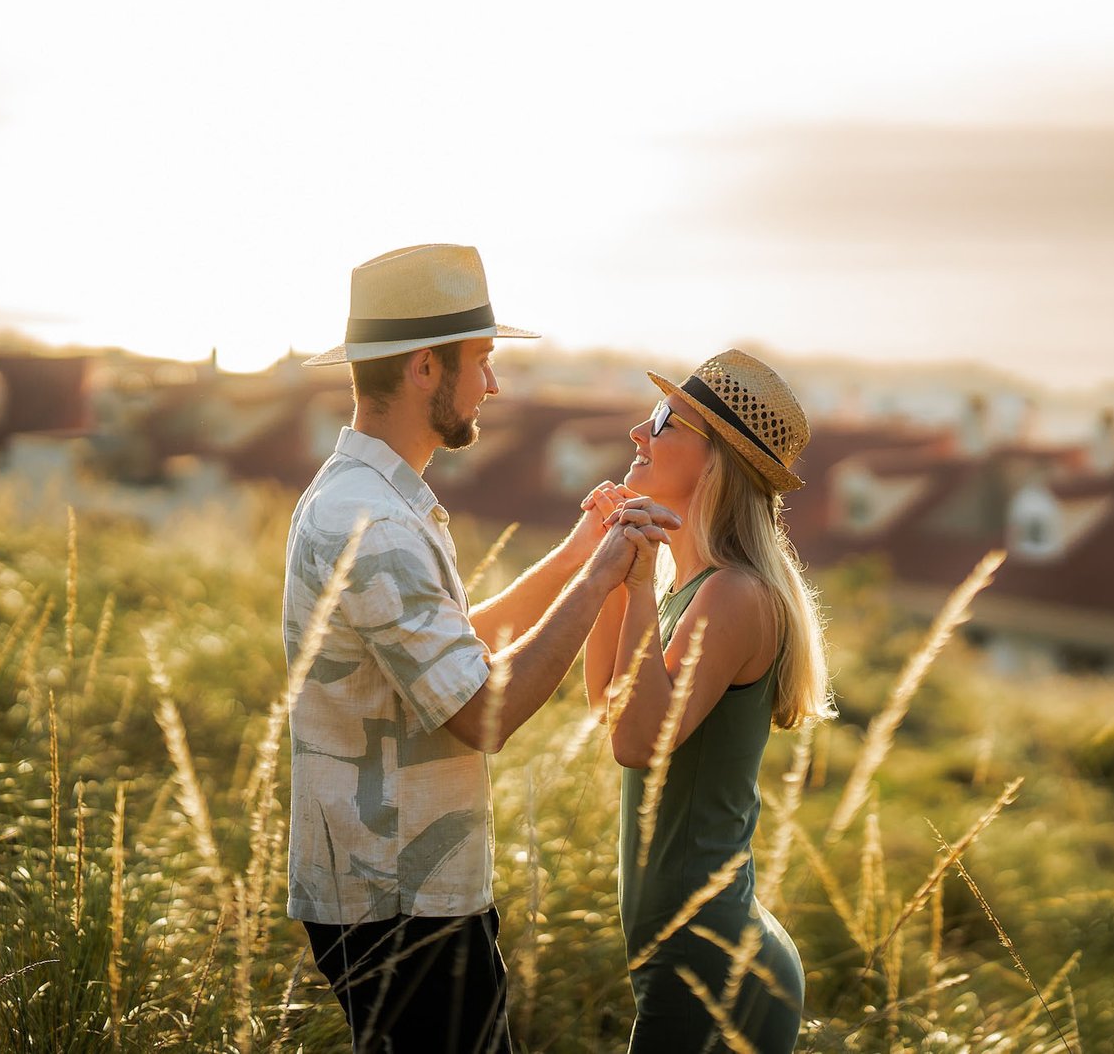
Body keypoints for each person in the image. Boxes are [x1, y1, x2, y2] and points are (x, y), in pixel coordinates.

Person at [283, 243, 675, 1053]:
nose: (494, 385)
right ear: (426, 368)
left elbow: (455, 649)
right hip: (402, 904)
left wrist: (575, 552)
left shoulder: (368, 498)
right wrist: (603, 578)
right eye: (483, 361)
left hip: (397, 893)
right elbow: (481, 712)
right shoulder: (375, 524)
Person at [584, 349, 833, 1053]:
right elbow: (608, 705)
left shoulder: (733, 594)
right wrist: (616, 565)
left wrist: (634, 587)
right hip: (688, 949)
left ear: (716, 460)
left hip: (709, 959)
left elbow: (638, 745)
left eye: (664, 420)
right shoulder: (692, 590)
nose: (639, 429)